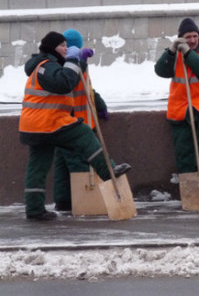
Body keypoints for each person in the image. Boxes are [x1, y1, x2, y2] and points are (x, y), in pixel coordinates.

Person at [19, 31, 131, 221]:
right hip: (49, 123)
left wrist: (79, 62)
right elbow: (65, 83)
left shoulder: (46, 66)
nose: (66, 48)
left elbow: (74, 80)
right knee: (84, 134)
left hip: (36, 125)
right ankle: (108, 171)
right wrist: (72, 59)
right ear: (53, 48)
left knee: (37, 167)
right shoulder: (45, 67)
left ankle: (35, 209)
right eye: (63, 45)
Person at [51, 29, 110, 212]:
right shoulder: (64, 64)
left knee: (62, 162)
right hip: (73, 123)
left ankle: (63, 201)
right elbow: (74, 80)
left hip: (76, 121)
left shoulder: (71, 62)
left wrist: (99, 104)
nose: (74, 51)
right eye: (71, 47)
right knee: (78, 162)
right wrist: (81, 61)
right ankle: (81, 200)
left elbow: (88, 88)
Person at [154, 18, 199, 174]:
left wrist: (188, 53)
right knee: (182, 144)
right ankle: (187, 178)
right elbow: (160, 71)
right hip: (180, 104)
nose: (191, 40)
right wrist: (170, 51)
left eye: (194, 36)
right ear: (181, 38)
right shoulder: (174, 54)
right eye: (187, 37)